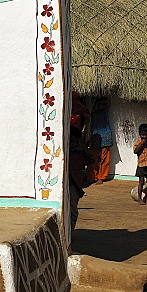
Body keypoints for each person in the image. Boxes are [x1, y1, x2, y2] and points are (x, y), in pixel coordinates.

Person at [67, 92, 92, 247]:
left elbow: (90, 160)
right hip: (69, 182)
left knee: (72, 211)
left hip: (73, 183)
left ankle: (68, 237)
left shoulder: (79, 153)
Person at [85, 97, 114, 185]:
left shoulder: (105, 110)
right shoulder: (93, 112)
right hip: (95, 137)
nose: (100, 107)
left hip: (106, 137)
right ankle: (92, 177)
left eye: (101, 105)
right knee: (93, 158)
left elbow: (108, 102)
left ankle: (101, 177)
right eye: (98, 105)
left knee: (104, 159)